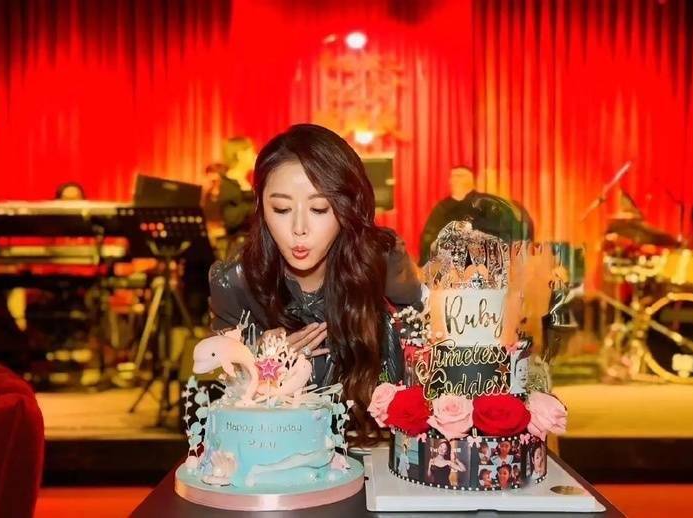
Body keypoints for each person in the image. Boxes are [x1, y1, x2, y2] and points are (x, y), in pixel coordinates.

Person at [208, 124, 422, 446]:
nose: (299, 228)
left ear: (347, 207)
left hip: (376, 451)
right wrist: (260, 367)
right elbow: (227, 411)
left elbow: (424, 361)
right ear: (260, 207)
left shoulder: (382, 262)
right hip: (276, 456)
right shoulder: (235, 283)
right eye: (281, 209)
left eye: (319, 209)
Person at [419, 165, 534, 264]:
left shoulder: (487, 203)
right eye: (453, 176)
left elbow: (511, 229)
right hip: (449, 265)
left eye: (460, 176)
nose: (455, 179)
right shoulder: (442, 208)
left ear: (471, 180)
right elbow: (429, 237)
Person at [218, 136, 257, 257]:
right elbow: (231, 219)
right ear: (240, 155)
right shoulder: (229, 185)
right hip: (239, 250)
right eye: (251, 152)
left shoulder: (243, 182)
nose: (255, 156)